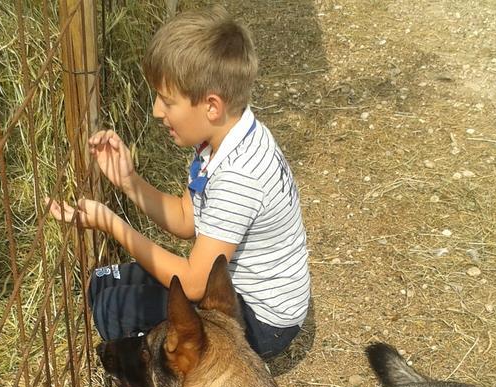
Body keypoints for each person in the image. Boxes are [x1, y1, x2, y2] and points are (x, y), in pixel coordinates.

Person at [48, 6, 310, 359]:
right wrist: (129, 181)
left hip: (260, 320)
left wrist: (113, 225)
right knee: (105, 280)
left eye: (167, 101)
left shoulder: (238, 174)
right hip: (227, 289)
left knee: (113, 311)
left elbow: (193, 282)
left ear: (211, 106)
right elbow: (187, 220)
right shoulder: (221, 139)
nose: (157, 111)